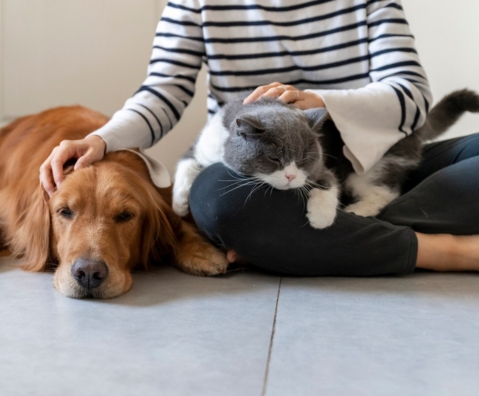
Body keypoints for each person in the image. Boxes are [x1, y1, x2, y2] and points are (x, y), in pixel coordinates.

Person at [40, 0, 479, 275]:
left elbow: (411, 95)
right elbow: (163, 92)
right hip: (255, 179)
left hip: (367, 163)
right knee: (219, 201)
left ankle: (304, 241)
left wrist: (317, 101)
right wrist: (103, 139)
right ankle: (441, 250)